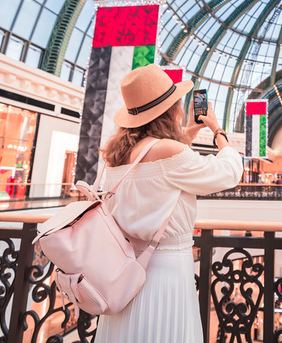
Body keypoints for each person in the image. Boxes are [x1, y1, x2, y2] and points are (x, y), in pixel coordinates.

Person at [94, 64, 242, 343]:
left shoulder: (118, 154)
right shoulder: (169, 151)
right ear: (172, 109)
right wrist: (218, 131)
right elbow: (228, 173)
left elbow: (155, 163)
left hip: (124, 271)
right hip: (165, 272)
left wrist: (187, 133)